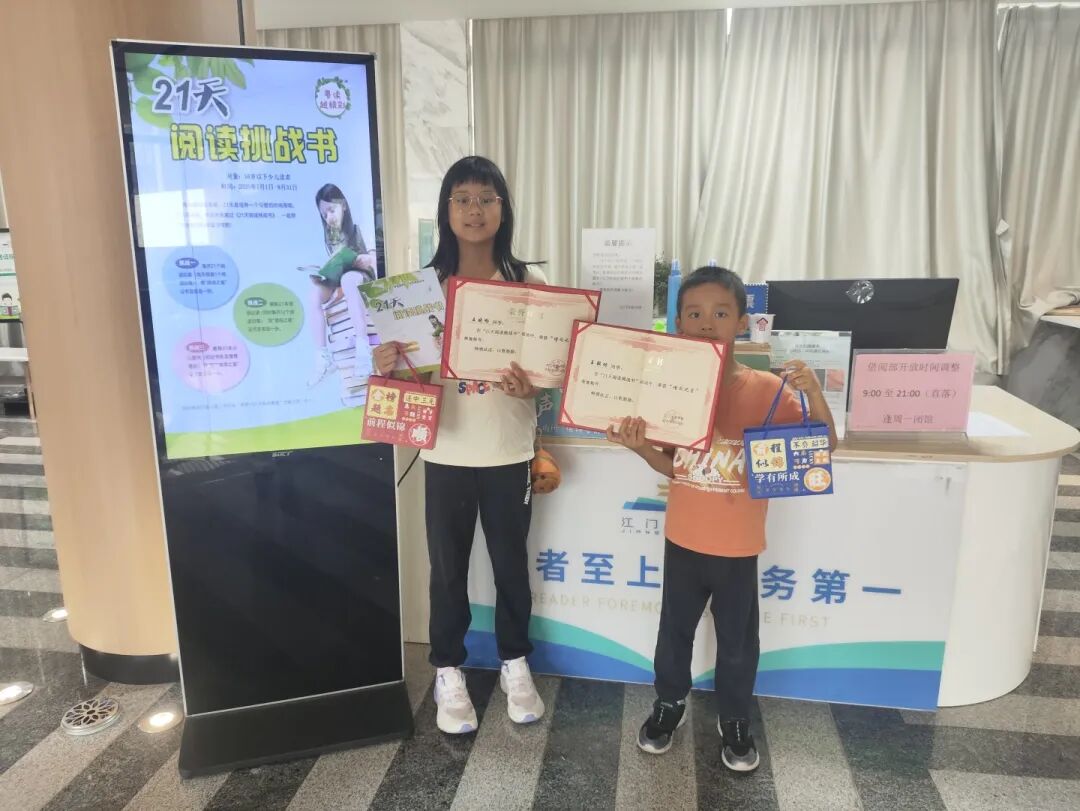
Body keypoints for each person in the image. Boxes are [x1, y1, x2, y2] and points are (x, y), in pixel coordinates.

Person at [607, 266, 837, 772]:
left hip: (738, 546)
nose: (707, 323)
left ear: (742, 322)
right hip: (683, 540)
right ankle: (669, 703)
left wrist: (815, 394)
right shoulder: (671, 390)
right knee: (674, 635)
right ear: (679, 323)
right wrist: (640, 447)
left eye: (720, 313)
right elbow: (673, 464)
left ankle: (734, 718)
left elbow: (822, 448)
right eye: (694, 313)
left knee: (737, 644)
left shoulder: (767, 389)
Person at [373, 156, 546, 735]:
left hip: (507, 450)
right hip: (445, 451)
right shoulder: (420, 289)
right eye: (463, 198)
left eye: (487, 198)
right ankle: (448, 669)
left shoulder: (528, 284)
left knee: (511, 567)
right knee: (446, 570)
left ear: (504, 209)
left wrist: (533, 385)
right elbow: (414, 379)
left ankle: (515, 662)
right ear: (446, 210)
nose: (475, 210)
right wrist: (390, 365)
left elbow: (549, 370)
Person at [300, 183, 378, 387]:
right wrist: (324, 276)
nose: (329, 217)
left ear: (343, 205)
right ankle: (322, 358)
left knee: (348, 280)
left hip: (361, 275)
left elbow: (377, 258)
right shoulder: (330, 236)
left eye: (331, 210)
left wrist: (364, 259)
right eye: (324, 214)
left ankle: (363, 348)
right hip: (339, 278)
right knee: (314, 294)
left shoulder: (359, 227)